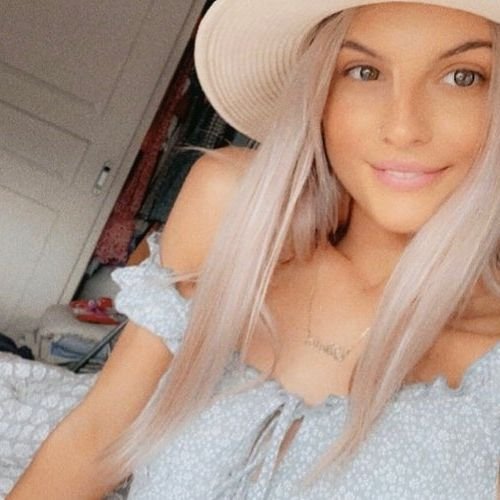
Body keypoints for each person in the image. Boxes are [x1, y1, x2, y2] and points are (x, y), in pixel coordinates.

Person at [8, 0, 500, 498]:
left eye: (463, 77)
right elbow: (95, 440)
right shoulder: (231, 213)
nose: (403, 127)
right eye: (364, 71)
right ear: (320, 94)